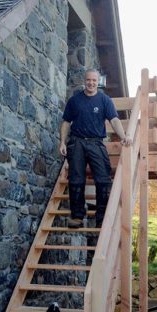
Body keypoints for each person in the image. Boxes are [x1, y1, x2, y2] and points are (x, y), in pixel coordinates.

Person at [59, 69, 132, 228]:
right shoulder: (75, 101)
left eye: (94, 80)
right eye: (88, 80)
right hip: (77, 143)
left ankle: (102, 218)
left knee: (103, 180)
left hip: (96, 143)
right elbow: (66, 122)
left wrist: (123, 136)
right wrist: (62, 142)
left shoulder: (104, 100)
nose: (91, 83)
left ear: (98, 82)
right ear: (84, 81)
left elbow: (114, 120)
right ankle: (77, 217)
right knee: (76, 180)